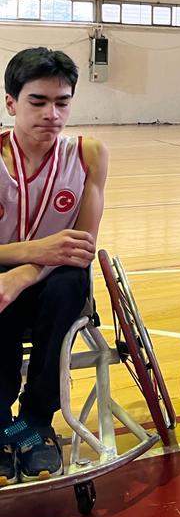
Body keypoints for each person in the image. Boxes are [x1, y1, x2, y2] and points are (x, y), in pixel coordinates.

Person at [0, 47, 108, 485]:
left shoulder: (89, 153)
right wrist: (32, 252)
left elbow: (81, 247)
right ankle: (5, 426)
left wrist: (28, 268)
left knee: (69, 281)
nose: (52, 114)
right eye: (37, 102)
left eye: (62, 103)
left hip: (51, 281)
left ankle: (36, 420)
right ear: (11, 103)